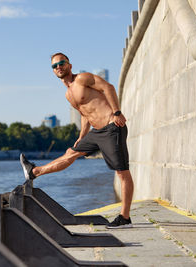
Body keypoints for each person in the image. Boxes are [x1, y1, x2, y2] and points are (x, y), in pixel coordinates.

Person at [20, 52, 134, 229]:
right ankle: (34, 172)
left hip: (112, 127)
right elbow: (85, 114)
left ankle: (125, 218)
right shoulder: (68, 94)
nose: (58, 67)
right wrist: (82, 136)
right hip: (96, 133)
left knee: (122, 172)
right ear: (53, 71)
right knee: (70, 153)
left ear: (69, 65)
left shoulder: (82, 79)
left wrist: (117, 112)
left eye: (62, 63)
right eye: (55, 66)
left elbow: (108, 87)